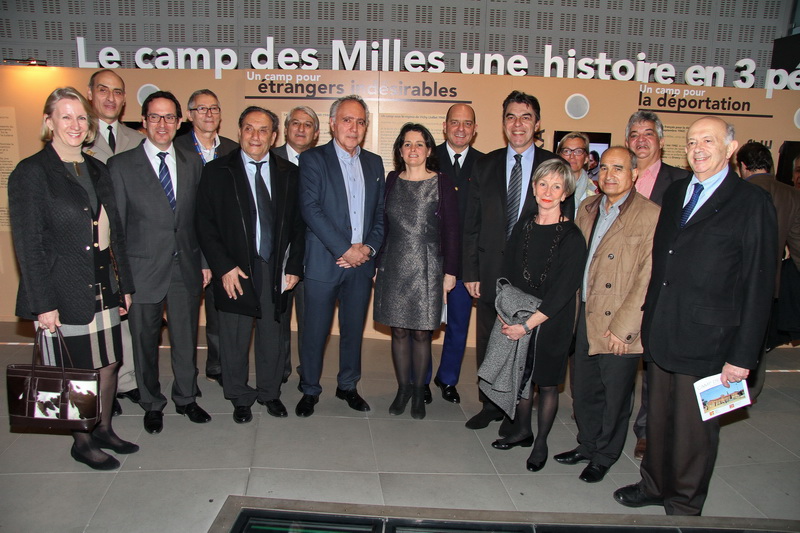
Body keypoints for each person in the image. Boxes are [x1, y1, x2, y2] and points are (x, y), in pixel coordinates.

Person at [613, 117, 777, 516]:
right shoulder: (677, 193)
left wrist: (743, 356)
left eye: (708, 141)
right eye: (691, 142)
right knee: (658, 422)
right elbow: (661, 262)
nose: (698, 148)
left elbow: (758, 285)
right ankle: (653, 484)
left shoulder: (751, 203)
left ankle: (685, 503)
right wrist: (647, 321)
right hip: (664, 329)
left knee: (695, 431)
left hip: (712, 340)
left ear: (730, 148)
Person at [9, 87, 138, 470]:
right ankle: (81, 441)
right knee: (76, 372)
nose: (75, 125)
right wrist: (42, 304)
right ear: (48, 122)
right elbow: (28, 245)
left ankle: (102, 427)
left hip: (103, 283)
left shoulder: (97, 168)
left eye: (81, 117)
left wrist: (125, 285)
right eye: (65, 117)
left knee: (110, 363)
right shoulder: (31, 173)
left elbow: (116, 234)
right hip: (61, 288)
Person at [554, 147, 659, 483]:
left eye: (619, 168)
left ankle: (605, 454)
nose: (610, 175)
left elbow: (647, 278)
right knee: (583, 388)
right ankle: (586, 444)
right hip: (583, 313)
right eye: (605, 168)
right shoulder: (587, 207)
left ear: (635, 173)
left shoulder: (650, 215)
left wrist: (625, 329)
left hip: (618, 321)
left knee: (614, 394)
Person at [108, 91, 210, 434]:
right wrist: (121, 280)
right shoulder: (121, 166)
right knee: (144, 342)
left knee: (185, 339)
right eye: (155, 117)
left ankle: (186, 398)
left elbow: (200, 220)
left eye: (169, 117)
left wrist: (205, 262)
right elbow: (117, 230)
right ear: (143, 122)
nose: (162, 124)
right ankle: (152, 403)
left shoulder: (192, 162)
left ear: (180, 122)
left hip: (185, 268)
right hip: (141, 272)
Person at [196, 106, 305, 423]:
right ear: (239, 131)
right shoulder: (217, 171)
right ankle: (239, 396)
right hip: (235, 268)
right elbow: (205, 224)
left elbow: (300, 226)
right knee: (233, 336)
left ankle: (270, 393)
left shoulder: (290, 174)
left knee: (274, 334)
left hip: (275, 268)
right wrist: (223, 267)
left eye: (262, 130)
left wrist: (294, 267)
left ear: (274, 136)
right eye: (248, 128)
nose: (255, 136)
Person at [462, 90, 560, 430]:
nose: (518, 124)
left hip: (532, 275)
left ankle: (516, 411)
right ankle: (490, 404)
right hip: (489, 272)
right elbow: (471, 225)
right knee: (490, 337)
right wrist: (470, 271)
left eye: (526, 117)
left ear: (537, 123)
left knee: (525, 344)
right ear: (504, 123)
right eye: (511, 117)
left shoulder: (552, 165)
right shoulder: (485, 164)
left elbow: (564, 225)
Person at [487, 158, 586, 472]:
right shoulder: (525, 224)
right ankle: (522, 431)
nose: (548, 191)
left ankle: (541, 441)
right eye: (543, 184)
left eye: (557, 186)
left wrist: (526, 326)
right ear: (533, 187)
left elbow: (562, 292)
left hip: (550, 321)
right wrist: (505, 310)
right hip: (518, 316)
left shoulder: (572, 237)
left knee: (545, 383)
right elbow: (506, 269)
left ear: (566, 193)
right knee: (523, 378)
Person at [295, 95, 385, 418]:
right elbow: (311, 210)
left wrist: (368, 250)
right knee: (315, 331)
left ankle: (348, 385)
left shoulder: (375, 163)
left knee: (352, 330)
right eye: (347, 120)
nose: (354, 127)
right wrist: (345, 248)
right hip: (325, 262)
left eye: (360, 121)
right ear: (332, 123)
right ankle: (309, 388)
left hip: (361, 266)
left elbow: (379, 214)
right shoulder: (313, 160)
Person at [374, 123, 459, 419]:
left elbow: (451, 230)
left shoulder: (441, 182)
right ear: (399, 150)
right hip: (394, 263)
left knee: (423, 333)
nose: (413, 149)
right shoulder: (391, 180)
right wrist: (377, 264)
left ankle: (420, 394)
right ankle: (403, 389)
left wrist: (450, 271)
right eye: (407, 144)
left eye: (419, 144)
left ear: (429, 150)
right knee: (398, 330)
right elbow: (382, 227)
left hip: (428, 266)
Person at [623, 110, 689, 460]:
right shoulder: (617, 176)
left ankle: (647, 429)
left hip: (660, 284)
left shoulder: (681, 181)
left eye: (648, 133)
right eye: (634, 134)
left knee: (653, 361)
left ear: (661, 140)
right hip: (619, 283)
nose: (641, 140)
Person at [84, 69, 145, 415]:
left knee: (125, 315)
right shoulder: (76, 134)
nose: (110, 97)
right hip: (92, 243)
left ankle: (125, 381)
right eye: (103, 90)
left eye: (117, 92)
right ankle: (99, 386)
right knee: (95, 320)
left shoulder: (135, 139)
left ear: (124, 99)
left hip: (129, 243)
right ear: (89, 93)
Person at [174, 89, 238, 388]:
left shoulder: (233, 149)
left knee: (220, 312)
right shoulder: (175, 148)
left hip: (223, 246)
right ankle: (186, 379)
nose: (209, 114)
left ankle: (218, 365)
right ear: (189, 115)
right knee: (185, 319)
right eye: (201, 109)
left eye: (214, 108)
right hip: (185, 246)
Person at [426, 103, 484, 404]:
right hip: (428, 261)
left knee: (459, 325)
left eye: (467, 123)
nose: (460, 129)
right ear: (445, 126)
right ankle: (421, 380)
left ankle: (447, 379)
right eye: (455, 123)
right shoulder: (427, 156)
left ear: (475, 129)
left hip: (465, 262)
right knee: (425, 324)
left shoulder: (486, 164)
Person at [736, 141, 800, 397]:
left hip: (727, 286)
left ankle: (718, 395)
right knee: (755, 342)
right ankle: (748, 393)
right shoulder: (792, 196)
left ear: (742, 166)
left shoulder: (735, 192)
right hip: (766, 287)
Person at [273, 106, 321, 383]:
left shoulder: (323, 161)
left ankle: (308, 372)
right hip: (279, 255)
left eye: (307, 125)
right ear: (285, 128)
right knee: (278, 318)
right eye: (295, 123)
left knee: (310, 320)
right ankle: (278, 371)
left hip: (313, 256)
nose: (301, 129)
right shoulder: (268, 158)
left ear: (316, 133)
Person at [557, 132, 597, 219]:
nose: (572, 156)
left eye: (578, 151)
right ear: (559, 156)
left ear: (586, 158)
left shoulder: (596, 193)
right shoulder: (546, 188)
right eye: (566, 151)